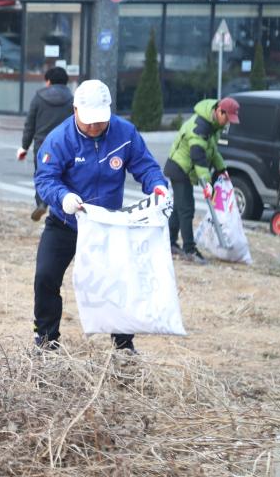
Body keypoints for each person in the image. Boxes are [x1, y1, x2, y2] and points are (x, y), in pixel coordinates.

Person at [32, 79, 169, 354]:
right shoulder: (59, 139)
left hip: (108, 223)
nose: (94, 127)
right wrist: (63, 197)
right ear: (75, 110)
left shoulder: (124, 133)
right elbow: (45, 179)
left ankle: (124, 345)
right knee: (46, 276)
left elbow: (145, 165)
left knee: (118, 282)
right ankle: (46, 341)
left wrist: (158, 186)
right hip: (66, 222)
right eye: (88, 121)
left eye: (100, 121)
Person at [164, 97, 240, 265]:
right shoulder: (201, 126)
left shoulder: (214, 125)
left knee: (179, 208)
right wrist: (206, 184)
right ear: (219, 111)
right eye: (227, 118)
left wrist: (222, 169)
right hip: (179, 168)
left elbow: (212, 151)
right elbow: (198, 157)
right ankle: (189, 250)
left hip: (185, 168)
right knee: (187, 209)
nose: (227, 123)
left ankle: (169, 242)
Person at [18, 67, 74, 222]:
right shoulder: (72, 100)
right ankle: (62, 209)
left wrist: (24, 146)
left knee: (43, 175)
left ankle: (42, 203)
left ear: (48, 81)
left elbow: (30, 124)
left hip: (42, 145)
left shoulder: (39, 97)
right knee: (65, 177)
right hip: (66, 145)